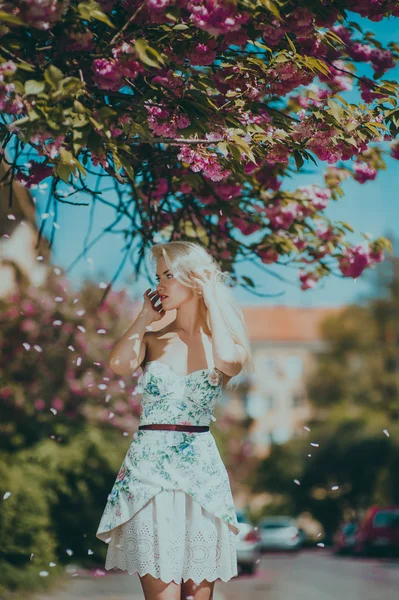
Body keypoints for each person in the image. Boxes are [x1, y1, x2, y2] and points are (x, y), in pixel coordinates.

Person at [96, 241, 253, 600]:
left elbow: (228, 361)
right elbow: (118, 364)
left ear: (195, 280)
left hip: (201, 477)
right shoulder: (151, 339)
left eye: (169, 275)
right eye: (158, 276)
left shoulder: (225, 345)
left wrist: (211, 295)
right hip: (149, 475)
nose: (160, 285)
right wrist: (142, 319)